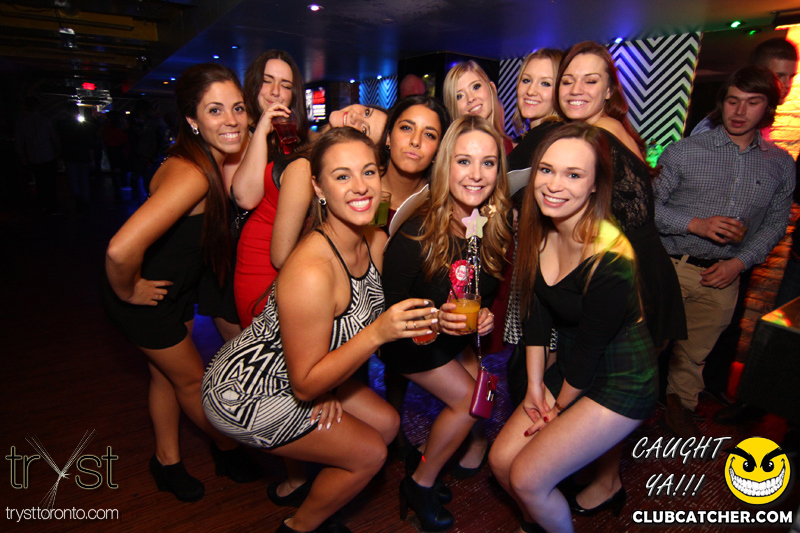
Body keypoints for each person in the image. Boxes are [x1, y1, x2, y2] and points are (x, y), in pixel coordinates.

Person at [203, 127, 435, 533]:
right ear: (318, 187)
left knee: (386, 424)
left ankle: (306, 486)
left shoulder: (373, 239)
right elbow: (306, 383)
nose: (360, 186)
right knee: (369, 454)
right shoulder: (311, 271)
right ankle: (301, 525)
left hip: (302, 371)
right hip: (246, 391)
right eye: (342, 176)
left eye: (368, 172)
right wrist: (376, 335)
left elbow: (371, 315)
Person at [101, 63, 260, 502]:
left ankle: (166, 461)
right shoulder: (191, 174)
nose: (231, 120)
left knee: (163, 376)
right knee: (191, 382)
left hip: (174, 290)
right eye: (214, 110)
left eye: (238, 108)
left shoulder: (205, 159)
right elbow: (119, 250)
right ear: (192, 119)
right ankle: (227, 449)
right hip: (146, 299)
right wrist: (129, 290)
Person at [489, 123, 657, 533]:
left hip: (621, 378)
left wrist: (557, 410)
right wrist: (534, 386)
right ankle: (539, 521)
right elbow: (536, 316)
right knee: (501, 461)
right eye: (547, 170)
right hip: (570, 365)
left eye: (574, 174)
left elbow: (588, 353)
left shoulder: (611, 256)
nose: (554, 185)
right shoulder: (538, 230)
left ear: (595, 185)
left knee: (528, 478)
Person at [381, 115, 512, 531]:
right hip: (410, 341)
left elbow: (480, 291)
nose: (476, 174)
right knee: (468, 402)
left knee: (482, 398)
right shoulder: (415, 233)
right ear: (445, 166)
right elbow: (387, 312)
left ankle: (430, 459)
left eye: (488, 163)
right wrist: (437, 319)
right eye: (464, 161)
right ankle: (419, 482)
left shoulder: (489, 225)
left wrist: (484, 315)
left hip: (454, 339)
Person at [654, 65, 795, 438]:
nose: (740, 111)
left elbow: (775, 224)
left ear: (767, 107)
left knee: (695, 355)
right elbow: (646, 208)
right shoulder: (684, 151)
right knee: (645, 346)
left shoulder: (780, 164)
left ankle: (680, 411)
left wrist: (739, 263)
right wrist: (695, 224)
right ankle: (616, 413)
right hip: (670, 266)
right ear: (722, 102)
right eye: (733, 101)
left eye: (752, 102)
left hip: (724, 275)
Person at [555, 41, 686, 351]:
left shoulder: (597, 135)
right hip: (638, 269)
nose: (576, 89)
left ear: (609, 90)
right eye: (568, 80)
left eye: (590, 80)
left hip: (630, 278)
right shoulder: (609, 127)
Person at [229, 50, 310, 328]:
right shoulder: (237, 133)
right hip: (258, 260)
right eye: (267, 81)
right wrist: (262, 128)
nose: (276, 92)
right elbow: (245, 197)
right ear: (253, 84)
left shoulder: (291, 136)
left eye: (285, 85)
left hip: (293, 259)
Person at [692, 37, 798, 135]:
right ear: (757, 73)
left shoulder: (758, 122)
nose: (787, 84)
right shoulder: (723, 124)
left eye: (791, 77)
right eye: (779, 76)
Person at [379, 95, 450, 231]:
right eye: (406, 128)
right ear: (388, 137)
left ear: (438, 151)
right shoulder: (361, 190)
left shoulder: (441, 209)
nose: (415, 141)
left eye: (429, 135)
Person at [443, 60, 514, 154]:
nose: (470, 98)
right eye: (459, 96)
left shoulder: (517, 150)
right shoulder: (450, 154)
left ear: (492, 89)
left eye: (476, 87)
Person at [15, 96, 60, 214]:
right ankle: (52, 207)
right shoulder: (45, 121)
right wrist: (58, 151)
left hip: (32, 157)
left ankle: (42, 206)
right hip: (48, 156)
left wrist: (22, 155)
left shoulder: (22, 122)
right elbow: (54, 138)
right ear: (38, 107)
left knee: (39, 183)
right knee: (50, 183)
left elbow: (19, 141)